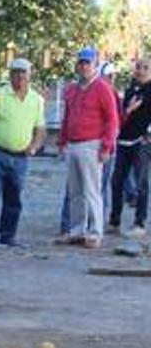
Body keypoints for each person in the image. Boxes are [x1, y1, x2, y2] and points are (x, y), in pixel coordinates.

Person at [0, 58, 46, 249]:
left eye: (24, 73)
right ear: (10, 75)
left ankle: (8, 236)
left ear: (30, 75)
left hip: (21, 157)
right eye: (16, 73)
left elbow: (40, 128)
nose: (20, 77)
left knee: (14, 198)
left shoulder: (37, 99)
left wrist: (34, 147)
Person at [58, 47, 119, 249]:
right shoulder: (72, 89)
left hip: (92, 144)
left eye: (88, 63)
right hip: (73, 144)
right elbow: (67, 117)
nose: (84, 66)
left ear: (95, 66)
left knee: (92, 190)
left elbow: (112, 120)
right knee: (75, 191)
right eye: (82, 62)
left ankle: (95, 232)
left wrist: (106, 146)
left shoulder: (102, 88)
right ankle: (77, 230)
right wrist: (62, 140)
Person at [109, 56, 151, 237]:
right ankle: (114, 222)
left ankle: (139, 223)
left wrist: (148, 136)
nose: (140, 70)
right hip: (124, 141)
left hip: (141, 143)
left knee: (141, 184)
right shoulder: (130, 90)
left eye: (145, 67)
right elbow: (122, 114)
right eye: (138, 67)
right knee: (116, 181)